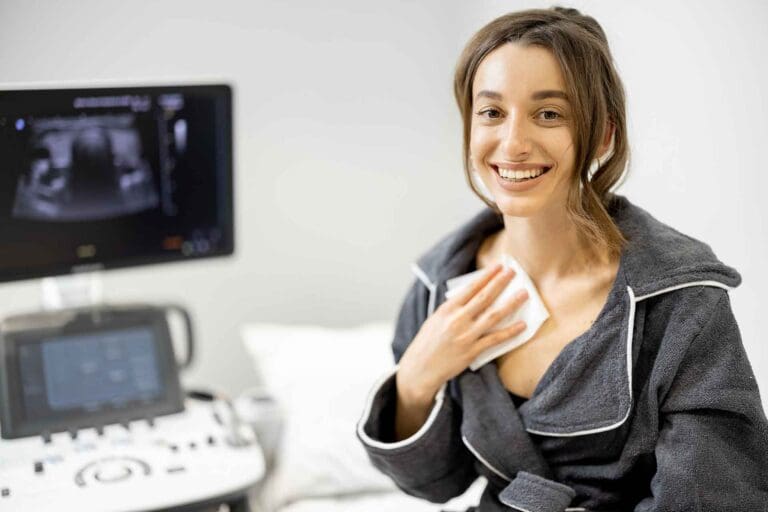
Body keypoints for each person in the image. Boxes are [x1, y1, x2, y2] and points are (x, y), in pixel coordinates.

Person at [356, 7, 768, 512]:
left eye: (549, 114)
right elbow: (436, 485)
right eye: (491, 112)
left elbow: (715, 498)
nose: (513, 144)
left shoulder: (680, 301)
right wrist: (416, 380)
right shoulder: (440, 281)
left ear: (603, 135)